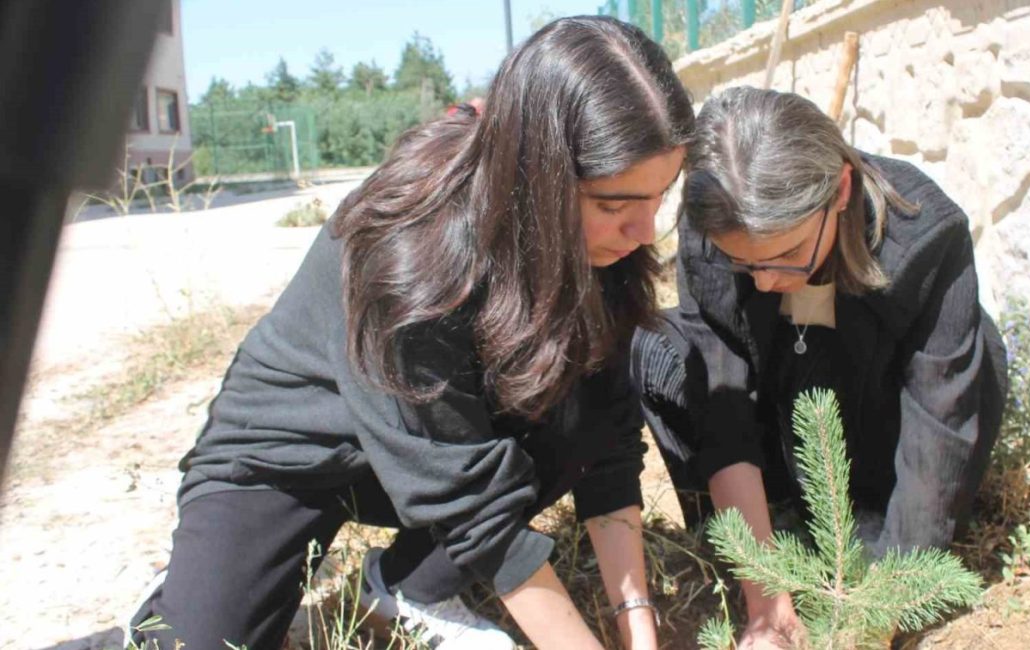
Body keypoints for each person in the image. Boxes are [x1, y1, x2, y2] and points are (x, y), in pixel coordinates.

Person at [128, 16, 694, 650]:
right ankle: (171, 601)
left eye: (659, 196)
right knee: (198, 641)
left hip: (425, 442)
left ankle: (405, 588)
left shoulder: (593, 246)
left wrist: (636, 624)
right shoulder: (415, 250)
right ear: (538, 178)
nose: (646, 232)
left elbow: (606, 438)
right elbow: (469, 498)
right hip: (292, 456)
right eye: (615, 205)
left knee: (575, 412)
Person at [631, 86, 1007, 649]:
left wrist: (869, 623)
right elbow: (723, 399)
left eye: (786, 256)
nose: (764, 282)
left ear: (841, 191)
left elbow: (940, 425)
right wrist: (766, 601)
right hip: (774, 437)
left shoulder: (927, 236)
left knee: (985, 349)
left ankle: (873, 528)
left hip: (880, 440)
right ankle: (757, 527)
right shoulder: (709, 227)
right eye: (743, 262)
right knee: (653, 345)